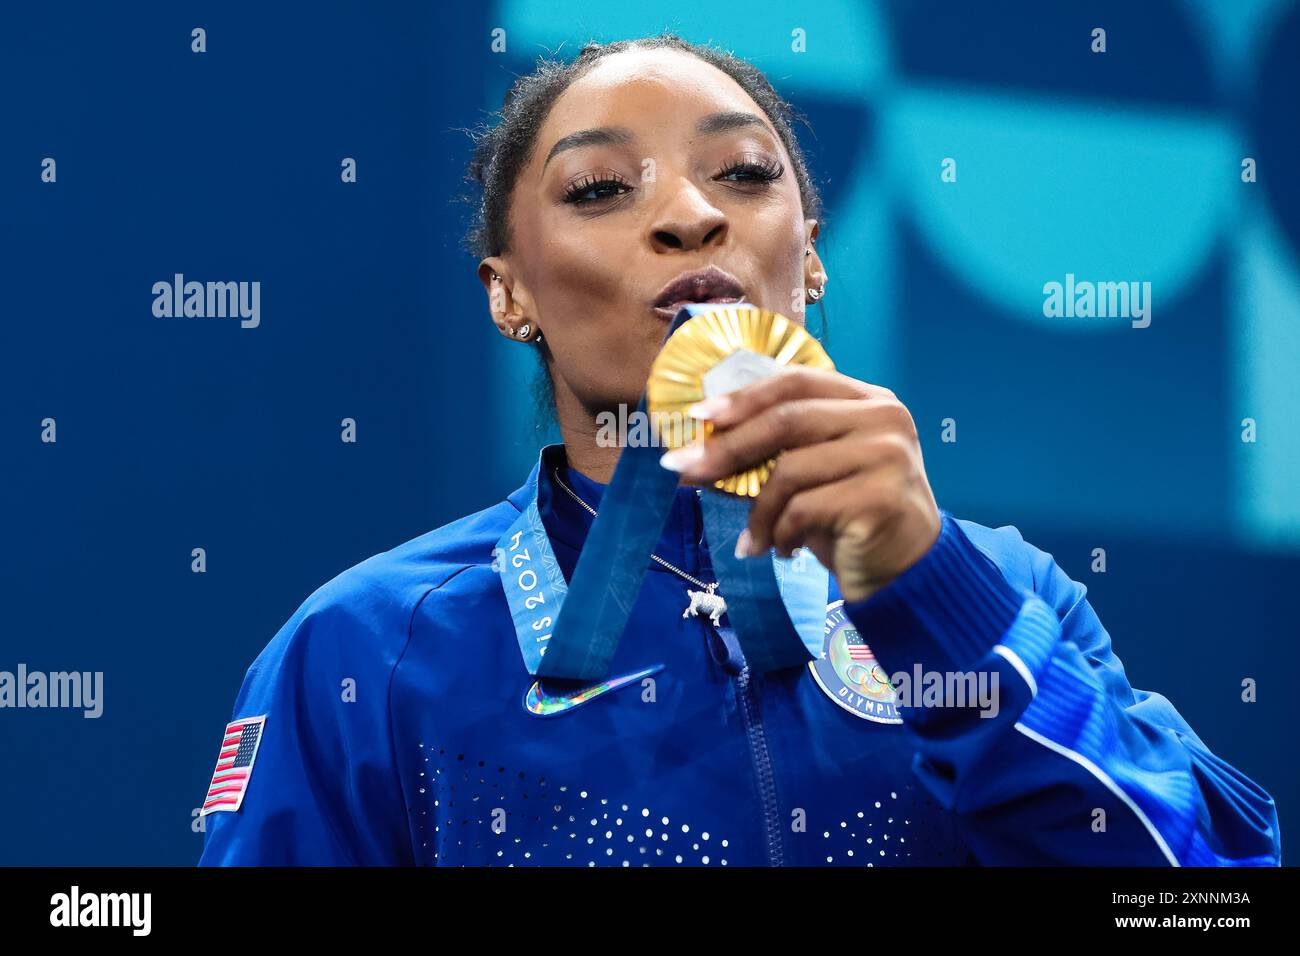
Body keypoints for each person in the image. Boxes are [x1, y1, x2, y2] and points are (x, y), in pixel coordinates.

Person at [198, 34, 1279, 867]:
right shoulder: (364, 649)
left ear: (808, 257)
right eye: (599, 190)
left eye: (745, 175)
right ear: (509, 290)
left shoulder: (1004, 589)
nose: (687, 216)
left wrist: (932, 591)